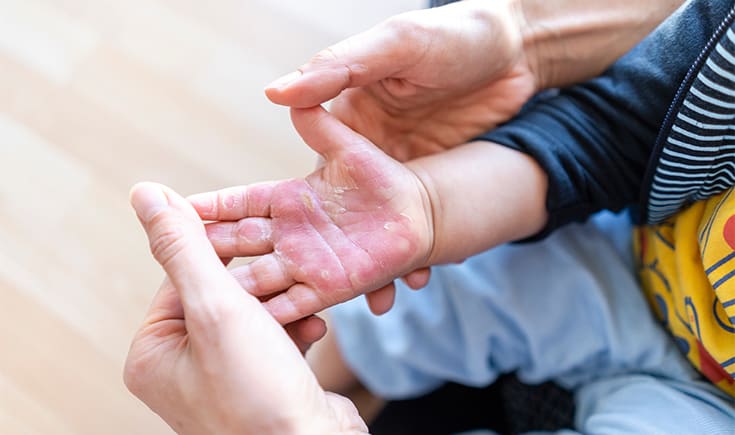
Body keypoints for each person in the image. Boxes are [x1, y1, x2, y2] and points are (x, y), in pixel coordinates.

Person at [123, 0, 735, 433]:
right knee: (408, 292)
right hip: (635, 252)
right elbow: (632, 125)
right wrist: (430, 207)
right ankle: (326, 378)